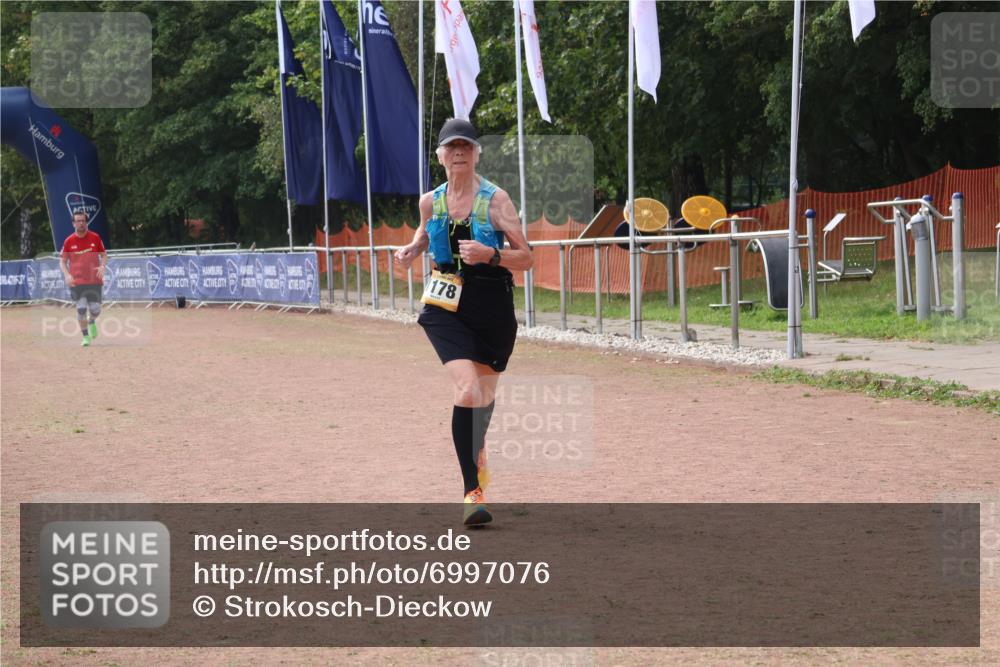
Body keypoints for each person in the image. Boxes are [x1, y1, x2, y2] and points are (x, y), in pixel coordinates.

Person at [395, 119, 533, 526]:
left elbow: (527, 257)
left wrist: (491, 255)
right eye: (452, 147)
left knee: (483, 401)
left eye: (466, 146)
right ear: (440, 156)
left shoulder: (497, 201)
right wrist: (413, 248)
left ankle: (477, 450)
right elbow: (426, 232)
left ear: (476, 154)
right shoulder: (429, 201)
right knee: (468, 390)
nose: (459, 152)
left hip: (492, 306)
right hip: (445, 305)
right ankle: (472, 492)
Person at [59, 211, 107, 347]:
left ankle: (91, 321)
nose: (81, 223)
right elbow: (62, 261)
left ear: (86, 222)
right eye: (78, 221)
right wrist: (67, 275)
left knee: (96, 310)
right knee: (81, 309)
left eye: (83, 221)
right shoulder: (69, 241)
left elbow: (104, 255)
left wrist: (102, 266)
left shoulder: (95, 237)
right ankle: (85, 337)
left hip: (94, 281)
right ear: (73, 223)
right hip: (77, 282)